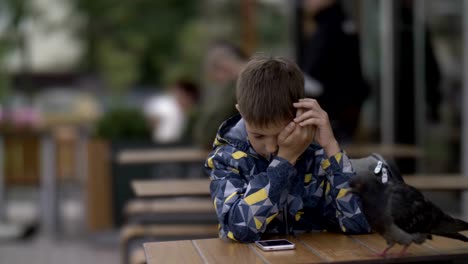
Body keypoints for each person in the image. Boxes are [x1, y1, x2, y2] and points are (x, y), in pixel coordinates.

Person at [205, 56, 370, 243]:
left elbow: (357, 224)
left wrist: (331, 147)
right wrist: (284, 161)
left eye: (279, 134)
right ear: (241, 112)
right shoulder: (226, 158)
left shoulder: (317, 155)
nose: (271, 147)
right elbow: (238, 230)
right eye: (258, 135)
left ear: (300, 116)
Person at [299, 0, 370, 142]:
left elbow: (315, 81)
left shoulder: (330, 27)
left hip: (334, 116)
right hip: (342, 114)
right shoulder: (342, 22)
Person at [193, 41, 248, 150]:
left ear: (224, 66)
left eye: (215, 76)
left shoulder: (241, 87)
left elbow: (208, 136)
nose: (218, 82)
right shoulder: (238, 87)